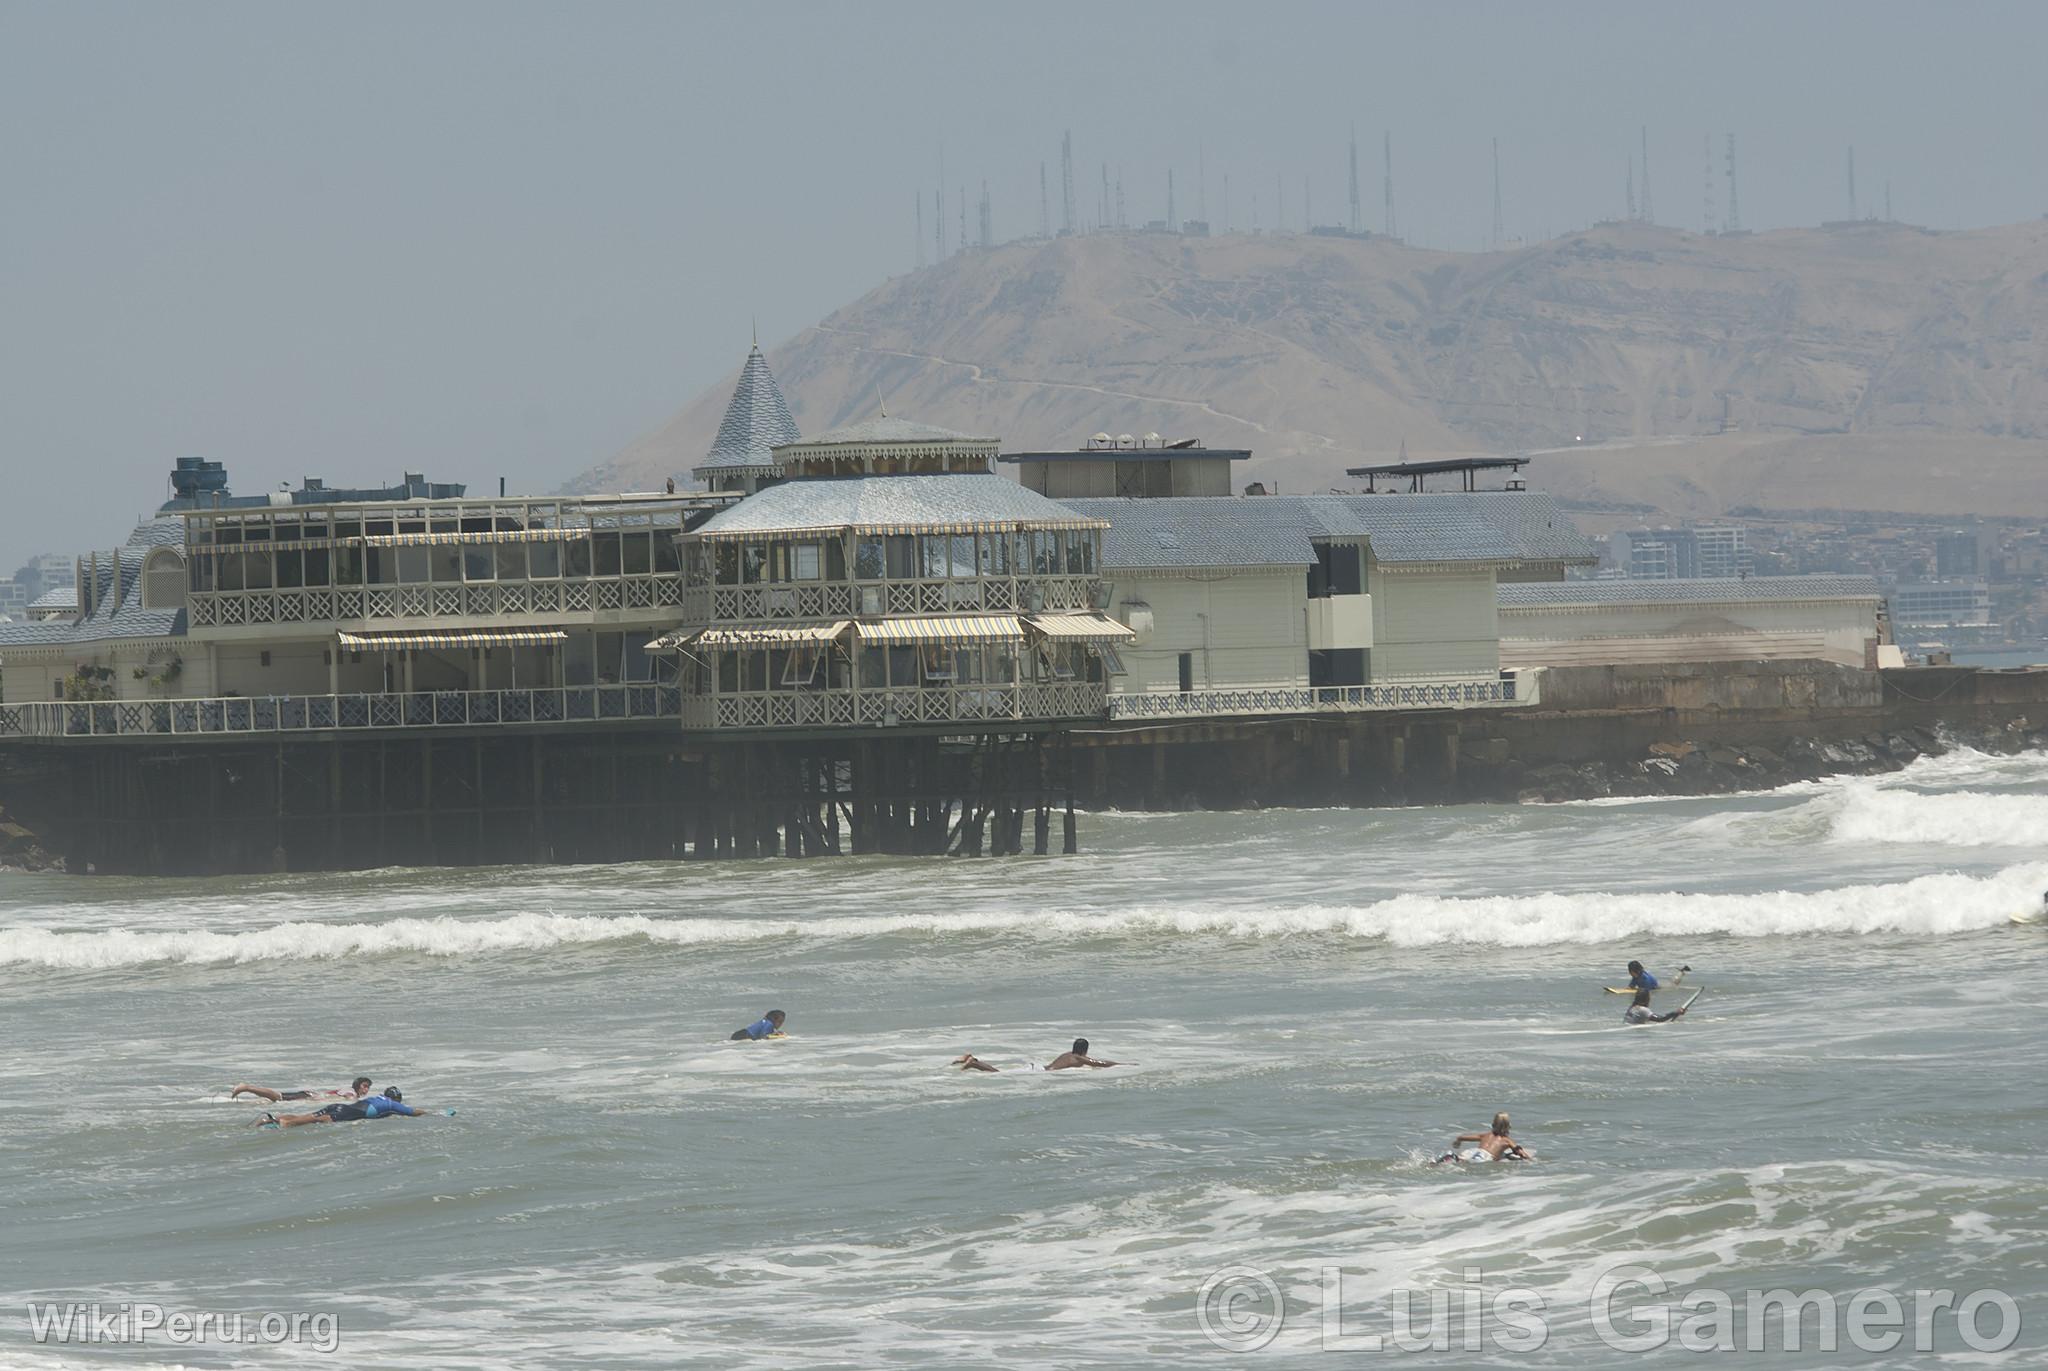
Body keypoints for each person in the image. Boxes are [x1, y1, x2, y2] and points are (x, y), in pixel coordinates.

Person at [260, 1087, 431, 1128]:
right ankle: (280, 1125)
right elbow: (412, 1112)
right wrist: (431, 1113)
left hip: (340, 1107)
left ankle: (273, 1119)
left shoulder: (377, 1098)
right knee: (312, 1121)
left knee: (306, 1117)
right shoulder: (392, 1104)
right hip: (345, 1112)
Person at [1436, 1112, 1531, 1164]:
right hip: (1485, 1157)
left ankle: (1443, 1160)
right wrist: (1529, 1160)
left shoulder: (1485, 1135)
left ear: (1493, 1124)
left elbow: (1462, 1137)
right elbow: (1521, 1153)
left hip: (1474, 1151)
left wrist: (1458, 1141)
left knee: (1460, 1160)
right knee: (1471, 1164)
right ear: (1508, 1126)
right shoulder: (1507, 1141)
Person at [232, 1076, 372, 1104]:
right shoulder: (351, 1092)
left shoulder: (348, 1089)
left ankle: (248, 1091)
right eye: (364, 1086)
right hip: (308, 1096)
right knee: (276, 1097)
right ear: (357, 1085)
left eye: (368, 1087)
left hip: (308, 1095)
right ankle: (246, 1087)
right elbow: (349, 1098)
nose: (366, 1089)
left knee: (274, 1098)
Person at [1623, 988, 1688, 1025]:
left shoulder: (1631, 1007)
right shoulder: (1643, 1010)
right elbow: (1661, 1019)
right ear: (1646, 999)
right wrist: (1676, 1012)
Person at [1045, 1038, 1117, 1071]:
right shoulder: (1078, 1057)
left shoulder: (1067, 1054)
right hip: (1049, 1072)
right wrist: (1119, 1064)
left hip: (1044, 1069)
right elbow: (1101, 1063)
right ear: (1085, 1049)